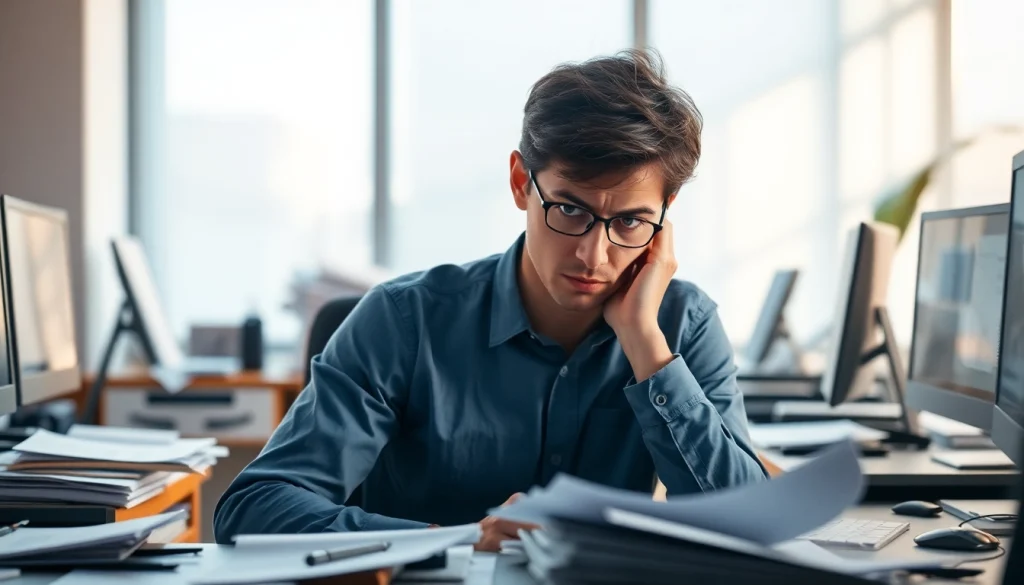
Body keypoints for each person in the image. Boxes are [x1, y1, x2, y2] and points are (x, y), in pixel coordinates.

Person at [214, 49, 767, 550]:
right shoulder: (404, 321)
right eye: (570, 210)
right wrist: (457, 539)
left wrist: (647, 345)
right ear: (521, 183)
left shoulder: (682, 325)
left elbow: (750, 524)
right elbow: (253, 508)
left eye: (630, 221)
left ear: (665, 212)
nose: (594, 255)